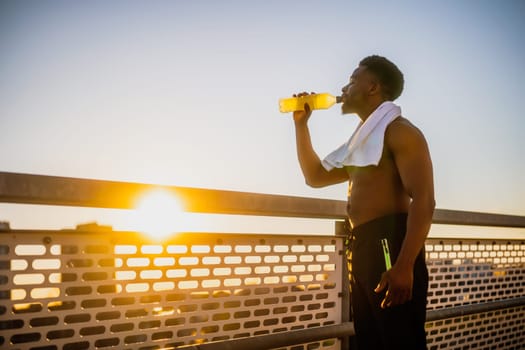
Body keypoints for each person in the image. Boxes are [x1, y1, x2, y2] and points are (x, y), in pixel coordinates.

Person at [291, 55, 435, 349]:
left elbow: (425, 200)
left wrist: (404, 265)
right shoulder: (363, 142)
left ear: (373, 87)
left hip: (390, 244)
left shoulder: (400, 132)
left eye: (353, 79)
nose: (345, 87)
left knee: (398, 339)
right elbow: (315, 176)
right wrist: (301, 126)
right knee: (369, 341)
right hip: (364, 245)